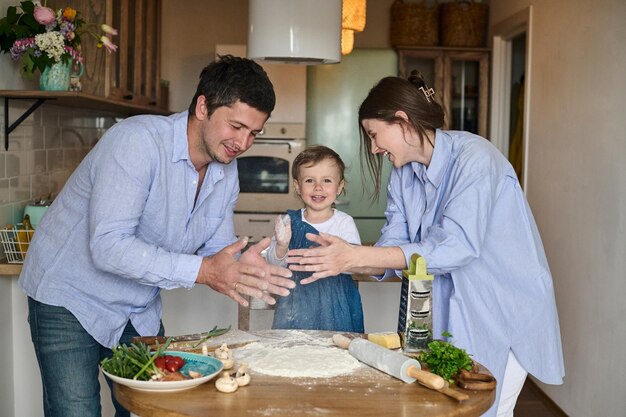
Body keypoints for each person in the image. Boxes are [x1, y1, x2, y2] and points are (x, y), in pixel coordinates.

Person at [18, 55, 295, 417]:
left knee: (150, 409)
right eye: (236, 126)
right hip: (71, 298)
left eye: (254, 133)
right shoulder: (137, 142)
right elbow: (108, 247)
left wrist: (241, 264)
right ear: (202, 107)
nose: (243, 143)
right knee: (77, 411)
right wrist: (207, 271)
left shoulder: (225, 172)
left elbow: (214, 252)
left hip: (136, 307)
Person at [286, 72, 564, 417]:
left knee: (484, 411)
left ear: (402, 121)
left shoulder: (475, 158)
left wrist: (357, 255)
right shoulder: (403, 176)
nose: (374, 148)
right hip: (448, 313)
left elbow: (457, 246)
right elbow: (392, 250)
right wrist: (343, 258)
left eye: (374, 135)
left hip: (502, 308)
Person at [266, 145, 364, 332]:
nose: (318, 187)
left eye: (327, 180)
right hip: (295, 306)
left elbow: (354, 264)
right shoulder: (288, 222)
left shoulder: (344, 223)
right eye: (310, 180)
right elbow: (274, 264)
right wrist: (281, 245)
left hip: (337, 304)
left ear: (340, 187)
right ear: (297, 186)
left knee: (337, 355)